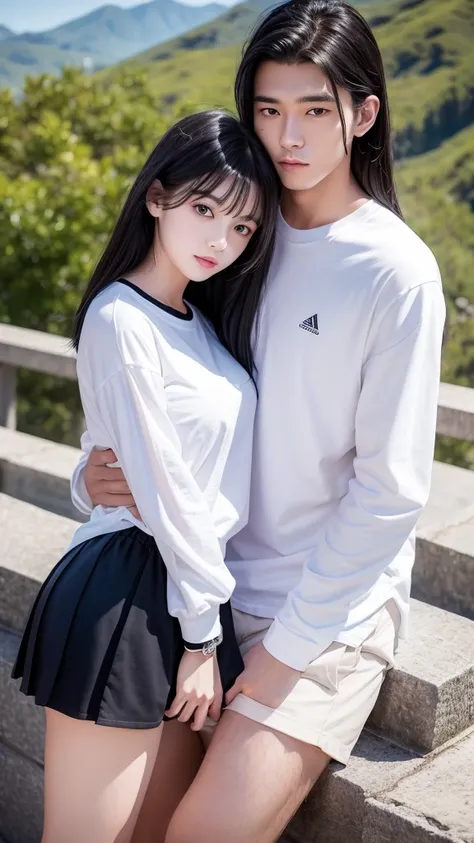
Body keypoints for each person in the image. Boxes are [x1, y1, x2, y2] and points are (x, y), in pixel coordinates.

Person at [72, 1, 446, 842]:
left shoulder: (395, 273)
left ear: (364, 114)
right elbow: (158, 373)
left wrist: (288, 647)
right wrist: (87, 472)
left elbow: (391, 492)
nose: (290, 137)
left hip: (325, 615)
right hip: (197, 582)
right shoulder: (239, 229)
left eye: (315, 110)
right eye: (270, 110)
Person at [12, 109, 280, 843]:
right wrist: (200, 641)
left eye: (243, 227)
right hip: (127, 594)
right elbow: (161, 485)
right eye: (204, 209)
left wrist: (83, 476)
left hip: (186, 589)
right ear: (156, 197)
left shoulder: (199, 320)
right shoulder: (120, 318)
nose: (220, 241)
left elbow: (147, 453)